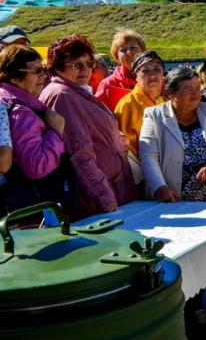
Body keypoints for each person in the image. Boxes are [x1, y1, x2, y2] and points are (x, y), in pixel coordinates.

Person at [41, 35, 135, 219]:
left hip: (113, 189)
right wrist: (103, 197)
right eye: (77, 64)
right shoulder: (63, 95)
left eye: (89, 63)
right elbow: (78, 152)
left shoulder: (75, 90)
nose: (85, 69)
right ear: (58, 65)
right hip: (96, 201)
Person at [139, 67, 206, 203]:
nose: (196, 94)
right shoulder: (154, 116)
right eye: (188, 90)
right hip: (172, 196)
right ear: (170, 93)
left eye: (197, 88)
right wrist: (159, 187)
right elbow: (148, 156)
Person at [0, 46, 66, 212]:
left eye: (43, 69)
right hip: (36, 207)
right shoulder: (21, 112)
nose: (44, 75)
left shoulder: (6, 98)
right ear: (14, 77)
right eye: (37, 71)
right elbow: (37, 167)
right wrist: (55, 132)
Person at [114, 51, 165, 188]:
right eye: (145, 71)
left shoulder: (171, 98)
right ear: (135, 76)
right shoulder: (126, 105)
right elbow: (127, 149)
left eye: (157, 69)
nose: (152, 75)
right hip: (143, 177)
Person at [95, 29, 146, 110]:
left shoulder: (156, 79)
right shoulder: (107, 85)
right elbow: (96, 114)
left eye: (133, 48)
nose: (129, 52)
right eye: (123, 50)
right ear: (117, 56)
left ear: (143, 51)